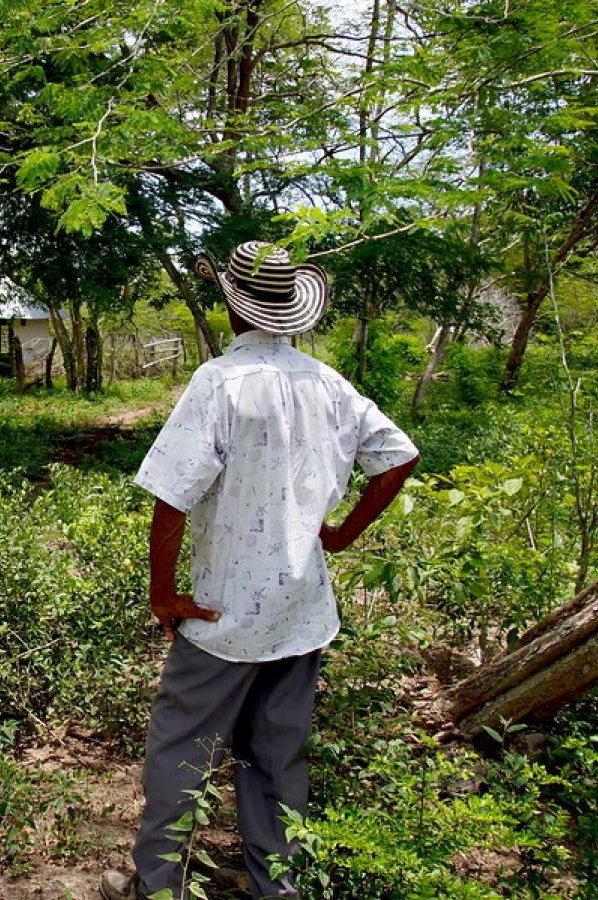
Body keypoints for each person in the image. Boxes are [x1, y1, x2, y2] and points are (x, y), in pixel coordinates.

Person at [101, 242, 419, 899]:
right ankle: (277, 885)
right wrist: (342, 534)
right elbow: (397, 456)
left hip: (222, 614)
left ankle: (157, 885)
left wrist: (166, 595)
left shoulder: (220, 381)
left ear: (230, 304)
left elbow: (172, 497)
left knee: (181, 750)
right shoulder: (326, 383)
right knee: (277, 758)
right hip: (300, 611)